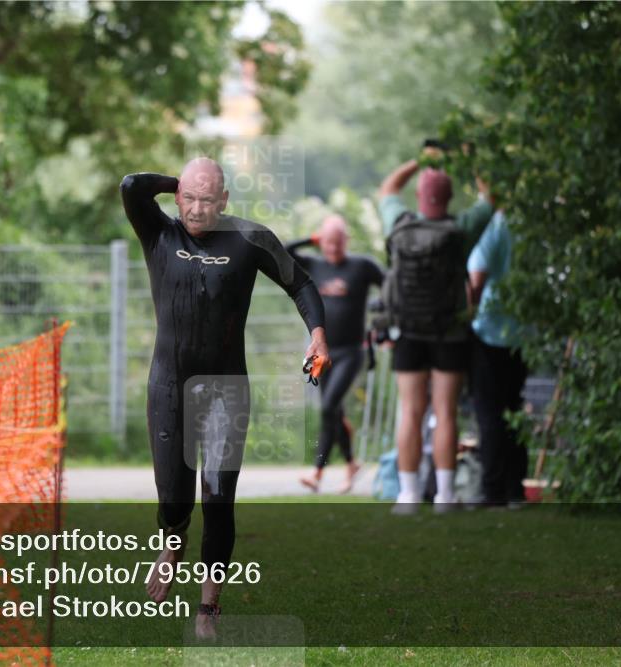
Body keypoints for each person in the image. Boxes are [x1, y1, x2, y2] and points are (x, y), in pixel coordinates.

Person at [120, 158, 329, 637]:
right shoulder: (159, 233)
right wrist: (188, 180)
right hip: (169, 384)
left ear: (225, 200)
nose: (197, 209)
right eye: (189, 199)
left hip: (225, 390)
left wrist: (317, 335)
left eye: (208, 199)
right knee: (174, 497)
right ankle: (172, 539)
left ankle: (208, 610)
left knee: (218, 498)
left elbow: (301, 283)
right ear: (177, 199)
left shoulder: (249, 238)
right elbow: (132, 185)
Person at [377, 150, 493, 514]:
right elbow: (492, 196)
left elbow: (388, 187)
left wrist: (416, 159)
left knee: (410, 411)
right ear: (449, 196)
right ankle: (445, 496)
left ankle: (408, 496)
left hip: (407, 330)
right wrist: (468, 159)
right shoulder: (461, 230)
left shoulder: (398, 223)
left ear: (419, 197)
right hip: (450, 333)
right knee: (445, 412)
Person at [286, 215, 384, 494]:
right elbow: (285, 251)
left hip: (351, 351)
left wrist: (383, 307)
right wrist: (310, 239)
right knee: (331, 410)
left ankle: (317, 472)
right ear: (321, 241)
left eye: (338, 241)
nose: (333, 247)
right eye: (327, 241)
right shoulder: (314, 264)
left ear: (346, 240)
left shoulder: (361, 266)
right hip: (320, 351)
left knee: (329, 407)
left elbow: (390, 283)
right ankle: (352, 463)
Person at [467, 209, 528, 508]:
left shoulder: (497, 223)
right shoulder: (532, 226)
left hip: (490, 330)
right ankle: (515, 488)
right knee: (514, 408)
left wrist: (466, 313)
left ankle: (492, 490)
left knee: (489, 413)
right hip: (524, 331)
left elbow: (477, 275)